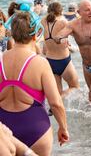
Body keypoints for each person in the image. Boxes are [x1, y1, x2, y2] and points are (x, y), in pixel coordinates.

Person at [0, 11, 68, 155]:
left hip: (4, 133)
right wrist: (63, 127)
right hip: (36, 130)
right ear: (35, 35)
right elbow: (55, 103)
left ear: (12, 33)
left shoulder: (0, 60)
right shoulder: (40, 63)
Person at [41, 2, 79, 98]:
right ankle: (59, 101)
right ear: (60, 10)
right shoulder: (63, 22)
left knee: (57, 93)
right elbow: (76, 35)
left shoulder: (43, 21)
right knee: (75, 87)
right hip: (64, 61)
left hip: (50, 61)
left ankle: (53, 109)